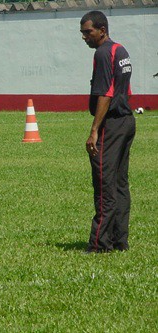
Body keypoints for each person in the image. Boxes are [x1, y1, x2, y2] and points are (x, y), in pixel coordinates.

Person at [80, 11, 135, 253]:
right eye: (82, 32)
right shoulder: (120, 50)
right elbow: (125, 88)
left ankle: (100, 244)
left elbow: (106, 93)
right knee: (121, 184)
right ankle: (119, 240)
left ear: (102, 30)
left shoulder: (103, 53)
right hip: (127, 121)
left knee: (104, 183)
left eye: (88, 32)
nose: (84, 37)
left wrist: (94, 130)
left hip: (110, 125)